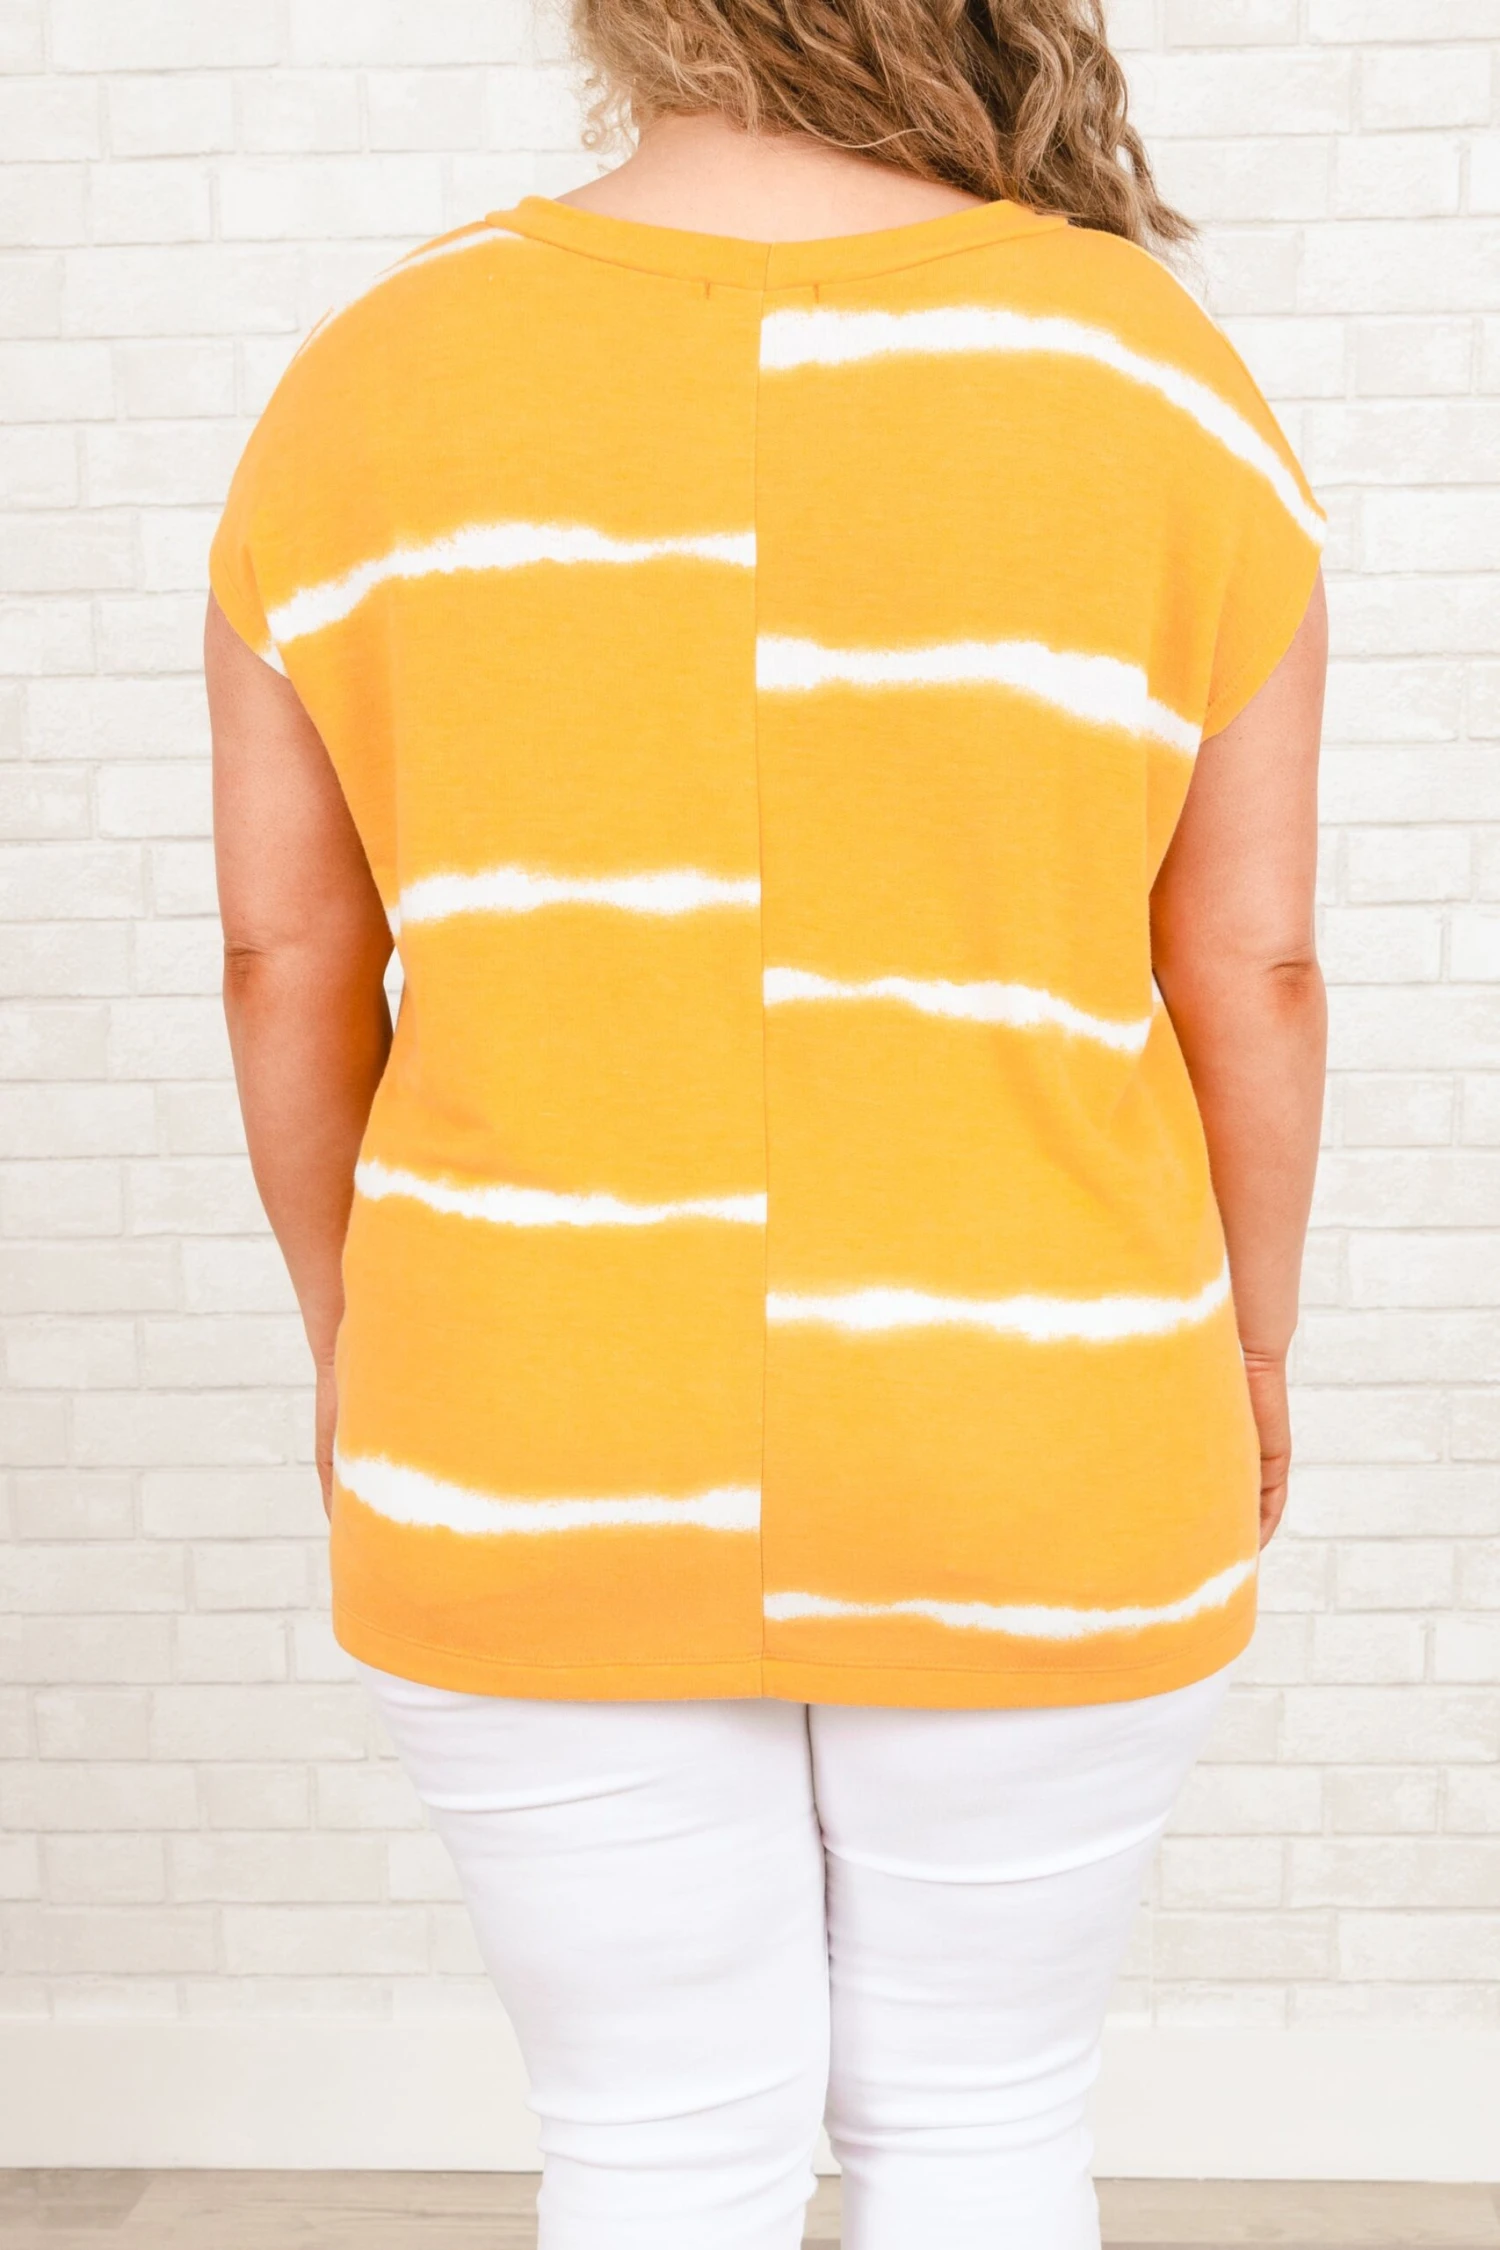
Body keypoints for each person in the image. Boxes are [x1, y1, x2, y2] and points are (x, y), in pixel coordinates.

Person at [205, 2, 1328, 2243]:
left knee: (651, 2145)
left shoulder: (374, 379)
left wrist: (359, 1329)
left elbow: (283, 955)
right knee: (986, 2129)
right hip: (1042, 1410)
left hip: (526, 1405)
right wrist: (1254, 1343)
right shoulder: (1150, 375)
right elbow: (1256, 967)